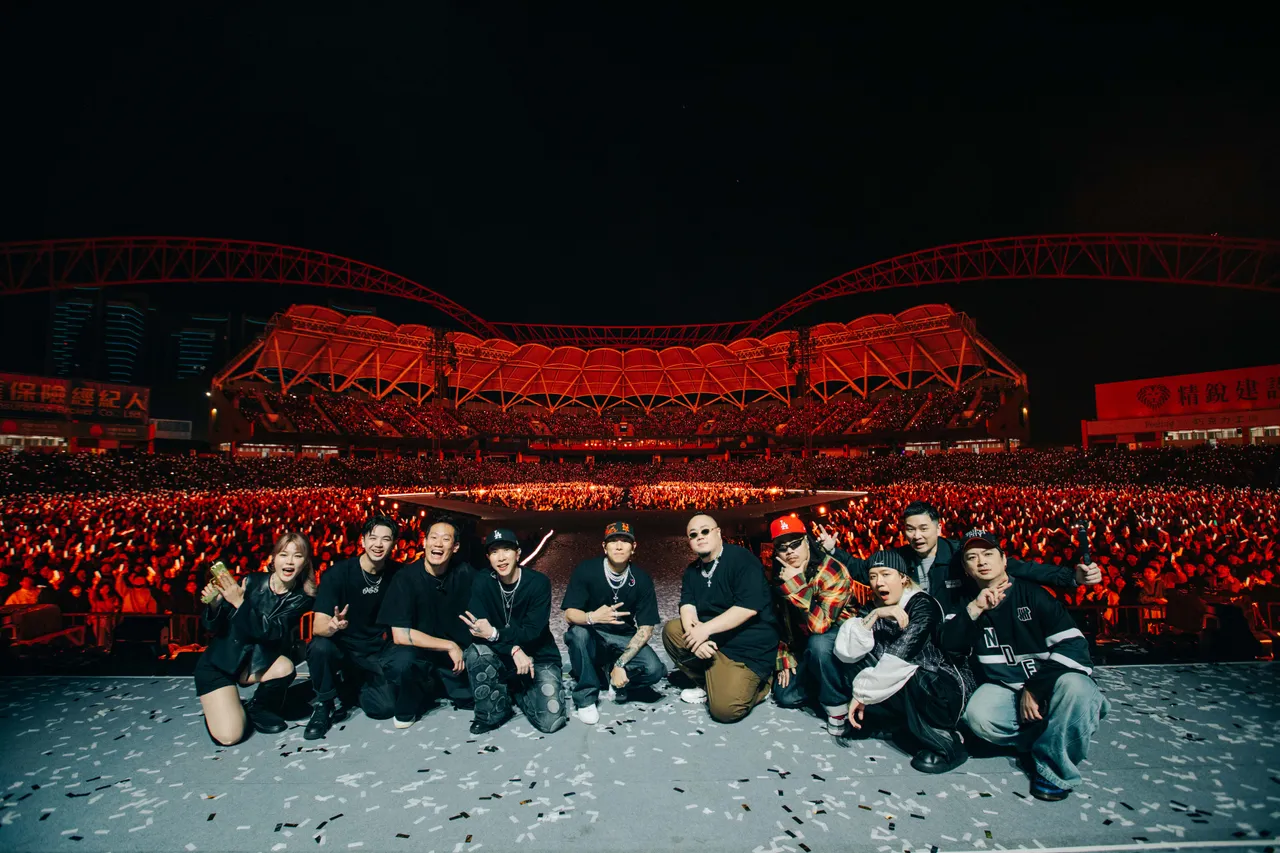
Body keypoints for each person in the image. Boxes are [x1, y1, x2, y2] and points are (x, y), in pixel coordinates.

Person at [942, 529, 1108, 802]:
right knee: (978, 717)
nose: (981, 561)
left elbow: (1075, 648)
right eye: (972, 557)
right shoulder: (965, 602)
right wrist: (975, 609)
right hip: (1007, 687)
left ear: (1004, 560)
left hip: (1053, 684)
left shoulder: (1034, 595)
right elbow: (950, 645)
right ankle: (1053, 736)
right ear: (966, 568)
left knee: (1077, 688)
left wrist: (1034, 689)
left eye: (988, 554)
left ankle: (1054, 769)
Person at [818, 501, 1101, 615]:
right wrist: (833, 550)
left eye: (923, 528)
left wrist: (1072, 577)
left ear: (938, 527)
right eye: (910, 530)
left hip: (957, 629)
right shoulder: (899, 557)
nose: (917, 536)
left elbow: (1019, 568)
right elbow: (862, 569)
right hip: (915, 627)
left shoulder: (959, 553)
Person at [833, 550, 971, 773]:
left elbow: (901, 656)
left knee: (911, 674)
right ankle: (893, 723)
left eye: (886, 574)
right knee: (857, 657)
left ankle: (947, 741)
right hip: (904, 685)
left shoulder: (922, 605)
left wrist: (861, 694)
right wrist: (876, 615)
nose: (879, 582)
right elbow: (846, 650)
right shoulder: (877, 605)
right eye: (873, 576)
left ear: (903, 578)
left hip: (942, 688)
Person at [193, 532, 316, 746]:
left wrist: (240, 603)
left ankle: (257, 707)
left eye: (297, 556)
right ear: (273, 559)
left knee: (285, 667)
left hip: (251, 664)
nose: (289, 561)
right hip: (218, 665)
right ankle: (225, 709)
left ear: (304, 562)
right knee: (230, 736)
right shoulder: (250, 581)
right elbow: (213, 628)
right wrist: (215, 604)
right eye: (283, 554)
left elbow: (271, 631)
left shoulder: (301, 599)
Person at [662, 513, 779, 723]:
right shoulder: (693, 570)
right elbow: (687, 606)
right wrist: (695, 638)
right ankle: (709, 684)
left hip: (747, 646)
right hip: (715, 640)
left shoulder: (742, 559)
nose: (700, 536)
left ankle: (762, 686)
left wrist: (704, 631)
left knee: (725, 711)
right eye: (693, 534)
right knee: (673, 631)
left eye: (705, 531)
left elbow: (747, 608)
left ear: (718, 533)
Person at [304, 515, 403, 739]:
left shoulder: (398, 574)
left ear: (394, 544)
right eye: (373, 538)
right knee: (320, 646)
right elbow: (318, 626)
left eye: (386, 539)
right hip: (342, 648)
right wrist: (332, 627)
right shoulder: (338, 574)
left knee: (385, 708)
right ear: (362, 541)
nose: (378, 544)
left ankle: (350, 685)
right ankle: (324, 703)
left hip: (375, 651)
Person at [459, 529, 567, 735]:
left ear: (517, 553)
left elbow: (532, 632)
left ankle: (518, 691)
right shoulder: (482, 581)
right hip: (500, 656)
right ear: (488, 557)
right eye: (494, 552)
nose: (501, 558)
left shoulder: (538, 583)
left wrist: (495, 634)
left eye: (506, 550)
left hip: (538, 656)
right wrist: (513, 649)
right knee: (475, 653)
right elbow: (478, 630)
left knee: (551, 721)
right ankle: (494, 712)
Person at [376, 516, 478, 729]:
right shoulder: (405, 578)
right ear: (424, 542)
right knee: (402, 663)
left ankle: (440, 686)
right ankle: (409, 703)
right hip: (416, 653)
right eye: (433, 537)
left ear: (455, 547)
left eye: (446, 539)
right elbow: (401, 635)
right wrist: (449, 646)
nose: (438, 544)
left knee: (477, 693)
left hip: (452, 659)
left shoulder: (465, 573)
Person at [561, 520, 665, 725]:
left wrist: (620, 664)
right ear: (604, 546)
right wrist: (592, 617)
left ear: (633, 547)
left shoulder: (641, 579)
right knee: (577, 633)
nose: (618, 546)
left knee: (655, 670)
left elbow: (646, 628)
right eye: (613, 541)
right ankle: (586, 697)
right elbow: (569, 614)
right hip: (592, 634)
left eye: (625, 541)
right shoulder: (586, 570)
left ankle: (612, 676)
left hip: (623, 637)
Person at [767, 516, 859, 735]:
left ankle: (837, 706)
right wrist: (784, 656)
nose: (790, 552)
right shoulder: (778, 574)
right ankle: (823, 684)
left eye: (795, 544)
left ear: (807, 542)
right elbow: (780, 620)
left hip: (837, 639)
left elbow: (821, 625)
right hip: (803, 641)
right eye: (782, 548)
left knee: (819, 644)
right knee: (786, 696)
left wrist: (796, 585)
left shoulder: (832, 570)